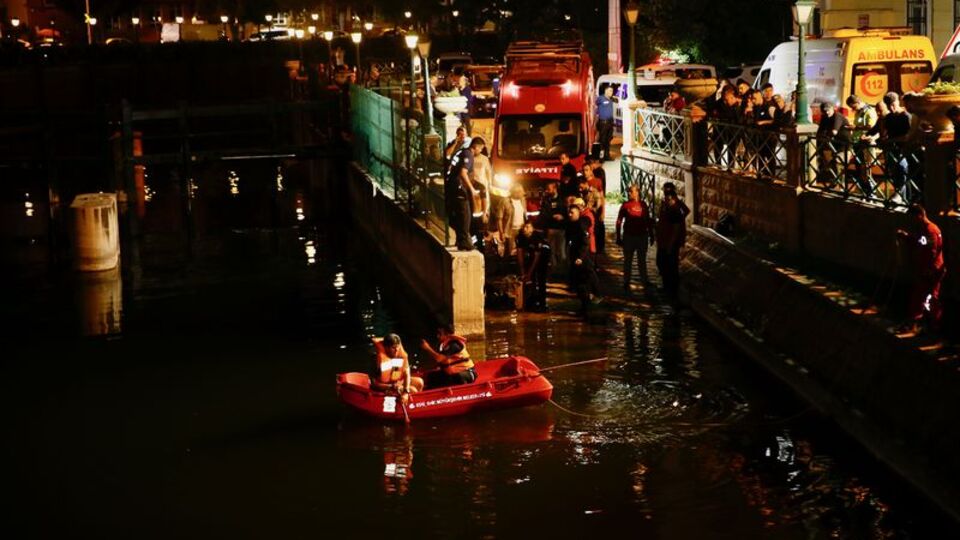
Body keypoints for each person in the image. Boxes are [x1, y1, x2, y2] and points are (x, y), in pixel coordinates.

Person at [896, 204, 945, 334]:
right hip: (927, 269)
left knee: (930, 298)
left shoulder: (931, 231)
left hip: (932, 271)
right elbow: (921, 242)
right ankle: (919, 323)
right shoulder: (925, 230)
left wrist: (928, 270)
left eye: (913, 218)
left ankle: (933, 326)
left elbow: (932, 252)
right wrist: (906, 237)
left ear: (919, 216)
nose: (912, 222)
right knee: (920, 297)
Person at [446, 137, 484, 251]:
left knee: (458, 215)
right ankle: (464, 242)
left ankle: (460, 240)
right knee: (465, 215)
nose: (480, 151)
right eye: (480, 149)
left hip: (451, 187)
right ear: (476, 146)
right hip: (459, 188)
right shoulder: (469, 155)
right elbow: (463, 173)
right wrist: (472, 189)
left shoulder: (460, 151)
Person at [616, 184, 655, 293]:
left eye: (631, 191)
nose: (629, 193)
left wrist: (651, 235)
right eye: (629, 191)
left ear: (637, 192)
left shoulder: (643, 205)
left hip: (642, 236)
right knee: (627, 260)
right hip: (629, 236)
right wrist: (618, 236)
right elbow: (619, 221)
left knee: (642, 260)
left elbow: (647, 220)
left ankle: (644, 281)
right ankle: (626, 281)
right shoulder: (625, 205)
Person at [566, 199, 600, 315]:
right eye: (569, 212)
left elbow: (585, 241)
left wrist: (580, 257)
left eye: (572, 213)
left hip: (584, 256)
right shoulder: (572, 224)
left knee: (585, 278)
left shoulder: (582, 222)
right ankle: (585, 305)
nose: (570, 215)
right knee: (580, 281)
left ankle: (594, 297)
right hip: (577, 256)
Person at [655, 182, 690, 297]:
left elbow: (677, 225)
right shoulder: (665, 205)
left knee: (670, 265)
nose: (667, 195)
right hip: (663, 240)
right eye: (666, 192)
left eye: (669, 192)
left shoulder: (675, 207)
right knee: (661, 262)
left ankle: (672, 289)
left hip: (670, 242)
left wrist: (671, 243)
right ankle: (667, 286)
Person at [516, 220, 551, 311]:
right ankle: (531, 301)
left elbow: (537, 257)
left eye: (527, 227)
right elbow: (519, 253)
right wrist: (523, 272)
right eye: (524, 227)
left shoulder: (537, 237)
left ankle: (542, 304)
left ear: (532, 229)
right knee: (530, 281)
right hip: (531, 255)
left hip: (543, 256)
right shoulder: (520, 236)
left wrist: (529, 273)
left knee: (540, 279)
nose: (525, 229)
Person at [815, 102, 852, 185]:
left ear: (833, 109)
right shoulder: (824, 117)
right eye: (824, 111)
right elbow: (820, 131)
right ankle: (835, 181)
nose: (826, 112)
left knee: (839, 161)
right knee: (831, 162)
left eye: (828, 110)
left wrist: (824, 136)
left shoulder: (837, 116)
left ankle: (841, 184)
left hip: (844, 144)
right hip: (834, 144)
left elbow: (834, 131)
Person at [537, 181, 568, 276]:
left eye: (549, 189)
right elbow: (543, 214)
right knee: (552, 251)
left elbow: (568, 212)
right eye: (547, 189)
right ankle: (555, 271)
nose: (548, 191)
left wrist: (563, 217)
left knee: (562, 252)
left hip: (561, 229)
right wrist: (552, 217)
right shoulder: (546, 200)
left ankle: (563, 271)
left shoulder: (562, 199)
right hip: (550, 229)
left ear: (555, 188)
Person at [596, 86, 617, 161]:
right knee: (602, 140)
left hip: (610, 122)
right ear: (605, 91)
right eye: (610, 90)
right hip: (603, 123)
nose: (611, 92)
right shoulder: (600, 98)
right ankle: (601, 157)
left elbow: (618, 100)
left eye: (612, 91)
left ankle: (607, 156)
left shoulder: (611, 99)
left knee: (608, 140)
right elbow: (594, 105)